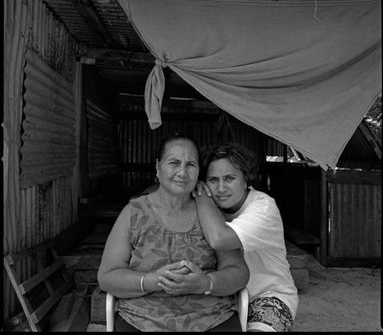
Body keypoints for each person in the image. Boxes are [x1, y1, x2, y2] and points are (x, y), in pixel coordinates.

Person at [97, 134, 249, 332]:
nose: (182, 172)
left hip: (211, 317)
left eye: (191, 164)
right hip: (142, 319)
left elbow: (239, 272)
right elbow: (107, 276)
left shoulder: (209, 213)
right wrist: (153, 281)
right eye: (174, 162)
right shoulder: (134, 212)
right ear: (158, 167)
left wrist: (205, 283)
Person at [194, 142, 298, 332]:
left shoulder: (263, 207)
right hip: (225, 294)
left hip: (268, 295)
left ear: (245, 179)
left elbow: (220, 239)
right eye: (213, 180)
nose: (221, 188)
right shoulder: (210, 208)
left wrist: (200, 194)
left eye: (229, 178)